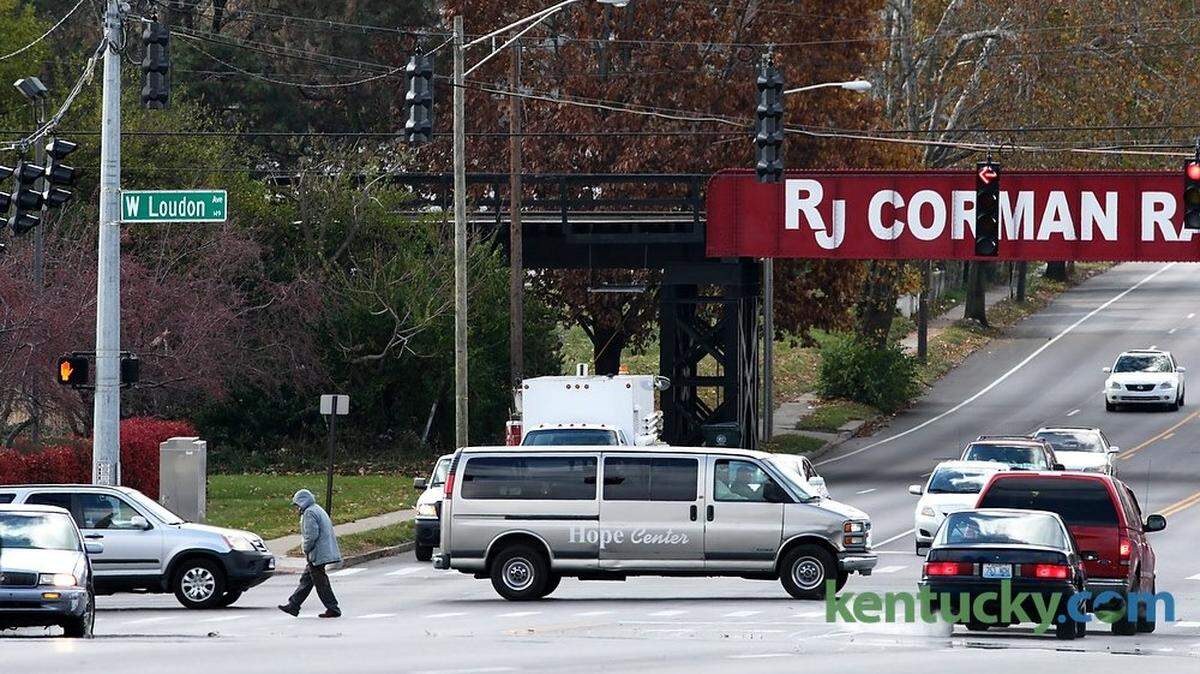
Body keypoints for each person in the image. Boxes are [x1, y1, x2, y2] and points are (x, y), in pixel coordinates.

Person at [278, 489, 342, 618]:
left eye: (297, 504)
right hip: (322, 551)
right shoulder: (316, 509)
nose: (296, 508)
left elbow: (311, 535)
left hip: (317, 553)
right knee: (307, 580)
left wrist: (306, 549)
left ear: (302, 502)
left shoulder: (309, 513)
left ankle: (333, 608)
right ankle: (293, 605)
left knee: (320, 583)